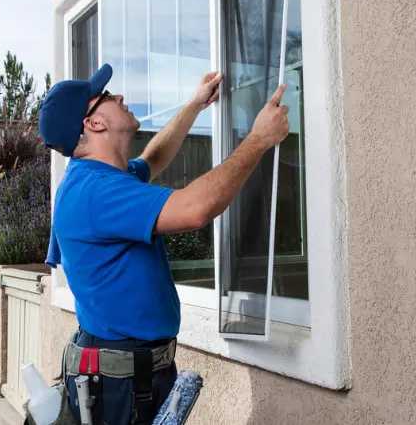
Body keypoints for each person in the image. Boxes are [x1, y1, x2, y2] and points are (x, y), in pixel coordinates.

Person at [36, 63, 290, 425]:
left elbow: (154, 159)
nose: (119, 96)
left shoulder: (106, 176)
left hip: (129, 372)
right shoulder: (96, 194)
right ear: (93, 124)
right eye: (107, 96)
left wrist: (194, 104)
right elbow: (195, 209)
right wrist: (259, 139)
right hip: (120, 385)